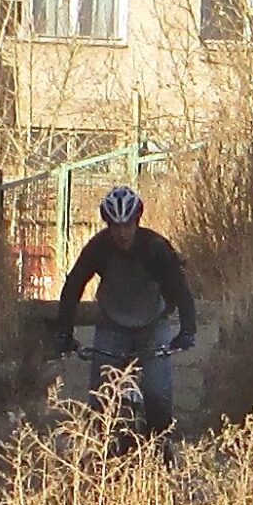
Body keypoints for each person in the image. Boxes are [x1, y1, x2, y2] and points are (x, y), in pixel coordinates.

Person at [54, 185, 198, 441]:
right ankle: (103, 455)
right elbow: (74, 285)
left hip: (152, 325)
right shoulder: (98, 248)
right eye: (115, 226)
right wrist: (64, 331)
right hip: (112, 325)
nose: (122, 233)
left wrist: (187, 330)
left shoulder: (156, 247)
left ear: (137, 222)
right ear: (108, 225)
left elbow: (179, 288)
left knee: (157, 393)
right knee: (101, 396)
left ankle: (160, 448)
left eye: (127, 225)